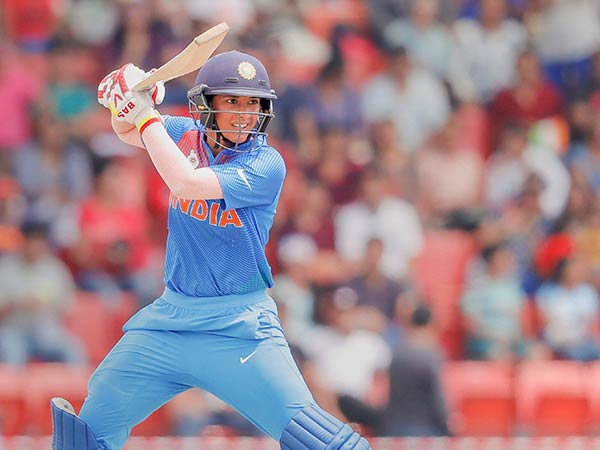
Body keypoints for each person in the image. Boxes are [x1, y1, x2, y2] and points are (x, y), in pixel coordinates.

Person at [50, 50, 372, 450]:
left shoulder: (266, 163)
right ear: (206, 104)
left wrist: (144, 113)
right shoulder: (185, 133)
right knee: (87, 430)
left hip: (238, 326)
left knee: (317, 440)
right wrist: (129, 95)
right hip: (169, 322)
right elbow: (128, 131)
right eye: (232, 101)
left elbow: (186, 183)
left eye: (253, 103)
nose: (243, 114)